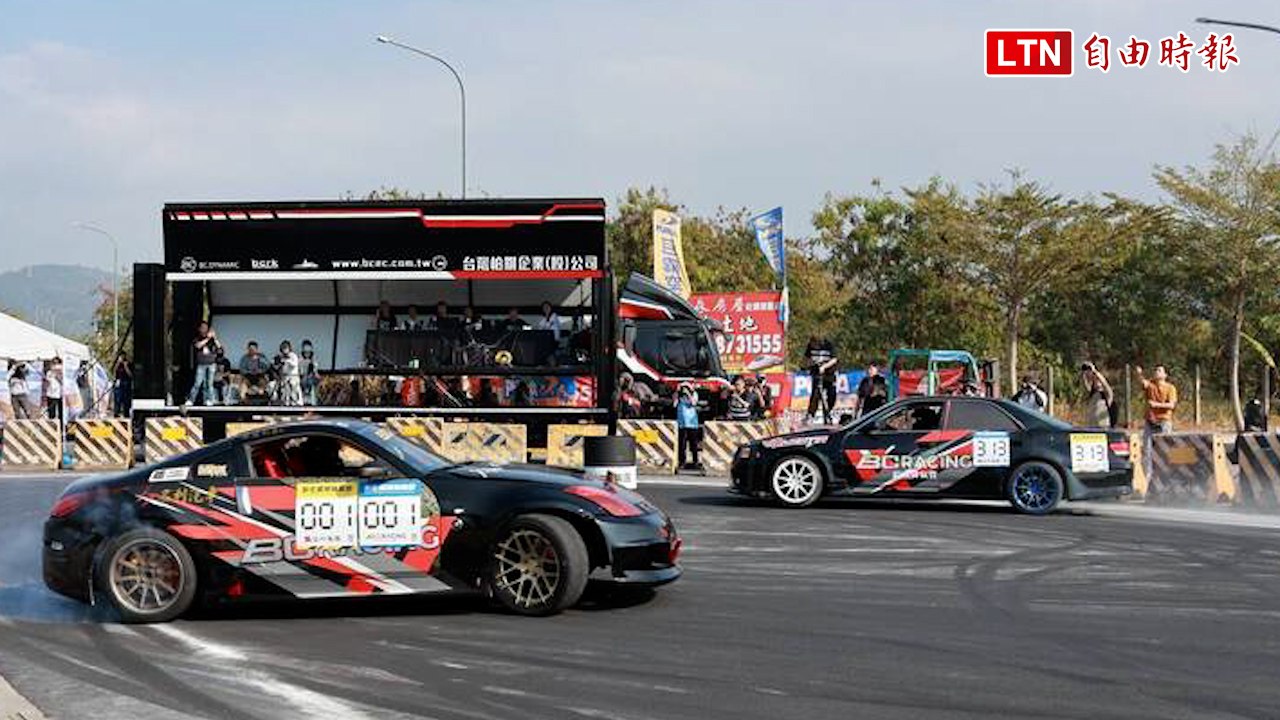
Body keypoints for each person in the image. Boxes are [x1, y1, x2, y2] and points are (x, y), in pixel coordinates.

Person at [184, 321, 220, 407]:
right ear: (199, 329)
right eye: (202, 327)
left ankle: (209, 400)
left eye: (206, 327)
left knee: (209, 384)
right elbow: (198, 346)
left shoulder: (212, 340)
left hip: (211, 364)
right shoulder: (197, 338)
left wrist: (215, 338)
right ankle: (191, 400)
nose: (204, 329)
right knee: (197, 383)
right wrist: (207, 339)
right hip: (201, 364)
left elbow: (220, 349)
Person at [804, 335, 838, 424]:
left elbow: (834, 359)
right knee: (815, 394)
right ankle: (811, 414)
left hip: (829, 374)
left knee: (831, 394)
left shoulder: (828, 344)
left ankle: (828, 411)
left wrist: (824, 366)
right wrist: (810, 364)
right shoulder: (810, 346)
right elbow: (807, 358)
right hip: (816, 374)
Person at [675, 382, 703, 470]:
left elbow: (693, 403)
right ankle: (682, 461)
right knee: (682, 444)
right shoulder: (679, 396)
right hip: (682, 423)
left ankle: (695, 461)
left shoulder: (694, 394)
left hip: (692, 423)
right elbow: (674, 404)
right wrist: (677, 393)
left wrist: (688, 394)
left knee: (693, 443)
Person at [1080, 362, 1114, 428]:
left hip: (1102, 426)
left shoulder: (1106, 395)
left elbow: (1105, 384)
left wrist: (1094, 371)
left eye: (1098, 380)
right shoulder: (1092, 394)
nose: (1097, 382)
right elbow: (1085, 385)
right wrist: (1083, 373)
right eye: (1095, 380)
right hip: (1092, 426)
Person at [276, 340, 302, 406]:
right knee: (284, 390)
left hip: (293, 376)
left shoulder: (293, 355)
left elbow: (294, 364)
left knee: (293, 388)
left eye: (286, 348)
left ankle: (296, 403)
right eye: (283, 348)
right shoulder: (281, 357)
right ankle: (285, 403)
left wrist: (287, 361)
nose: (285, 350)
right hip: (285, 377)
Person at [299, 340, 320, 406]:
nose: (307, 353)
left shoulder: (314, 360)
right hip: (302, 379)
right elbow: (300, 372)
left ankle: (312, 402)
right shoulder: (300, 360)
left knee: (312, 381)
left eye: (308, 352)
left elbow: (316, 372)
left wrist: (314, 371)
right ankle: (303, 401)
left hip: (311, 380)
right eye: (305, 352)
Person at [44, 357, 64, 423]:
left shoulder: (63, 372)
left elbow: (62, 382)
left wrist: (58, 374)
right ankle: (52, 427)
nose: (55, 365)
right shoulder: (49, 373)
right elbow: (47, 382)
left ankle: (62, 428)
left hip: (61, 395)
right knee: (51, 413)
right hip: (51, 395)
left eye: (57, 363)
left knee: (61, 413)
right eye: (54, 363)